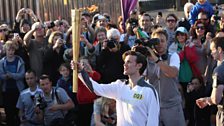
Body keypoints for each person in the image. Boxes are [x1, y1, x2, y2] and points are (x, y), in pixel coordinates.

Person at [74, 50, 160, 126]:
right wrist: (81, 71)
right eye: (125, 62)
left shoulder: (149, 91)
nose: (124, 65)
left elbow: (153, 121)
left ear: (139, 66)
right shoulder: (119, 86)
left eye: (128, 62)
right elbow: (96, 88)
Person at [146, 28, 185, 126]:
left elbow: (172, 73)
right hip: (153, 106)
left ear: (167, 42)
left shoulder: (173, 56)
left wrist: (156, 60)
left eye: (162, 41)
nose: (159, 44)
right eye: (156, 41)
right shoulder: (147, 59)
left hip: (172, 106)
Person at [196, 37, 224, 126]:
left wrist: (207, 99)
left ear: (219, 50)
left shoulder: (219, 70)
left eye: (212, 50)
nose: (211, 53)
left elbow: (216, 99)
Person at [0, 40, 25, 126]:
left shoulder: (19, 60)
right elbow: (1, 75)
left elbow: (22, 74)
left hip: (18, 90)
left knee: (17, 112)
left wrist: (12, 75)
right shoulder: (2, 62)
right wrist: (5, 76)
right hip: (6, 90)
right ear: (5, 50)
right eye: (8, 50)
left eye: (12, 50)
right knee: (8, 113)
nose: (10, 52)